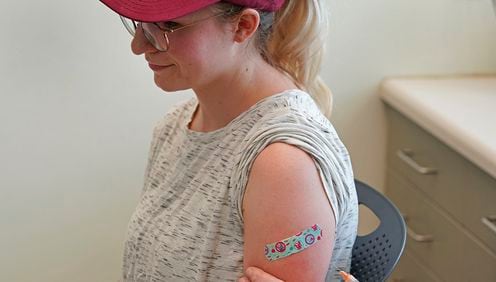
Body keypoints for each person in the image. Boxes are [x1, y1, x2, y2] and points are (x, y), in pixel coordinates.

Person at [98, 0, 359, 281]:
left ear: (243, 26)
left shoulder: (283, 163)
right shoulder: (177, 124)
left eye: (168, 25)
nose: (138, 46)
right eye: (140, 25)